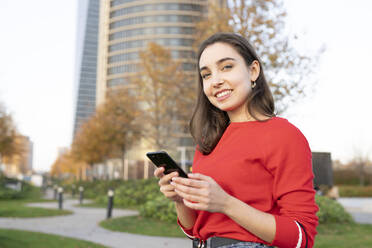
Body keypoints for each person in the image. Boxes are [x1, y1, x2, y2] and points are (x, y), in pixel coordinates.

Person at [154, 32, 318, 248]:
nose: (216, 81)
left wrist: (226, 203)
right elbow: (195, 230)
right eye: (206, 75)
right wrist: (181, 200)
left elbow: (301, 237)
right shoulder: (207, 142)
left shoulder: (284, 135)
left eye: (226, 67)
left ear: (253, 71)